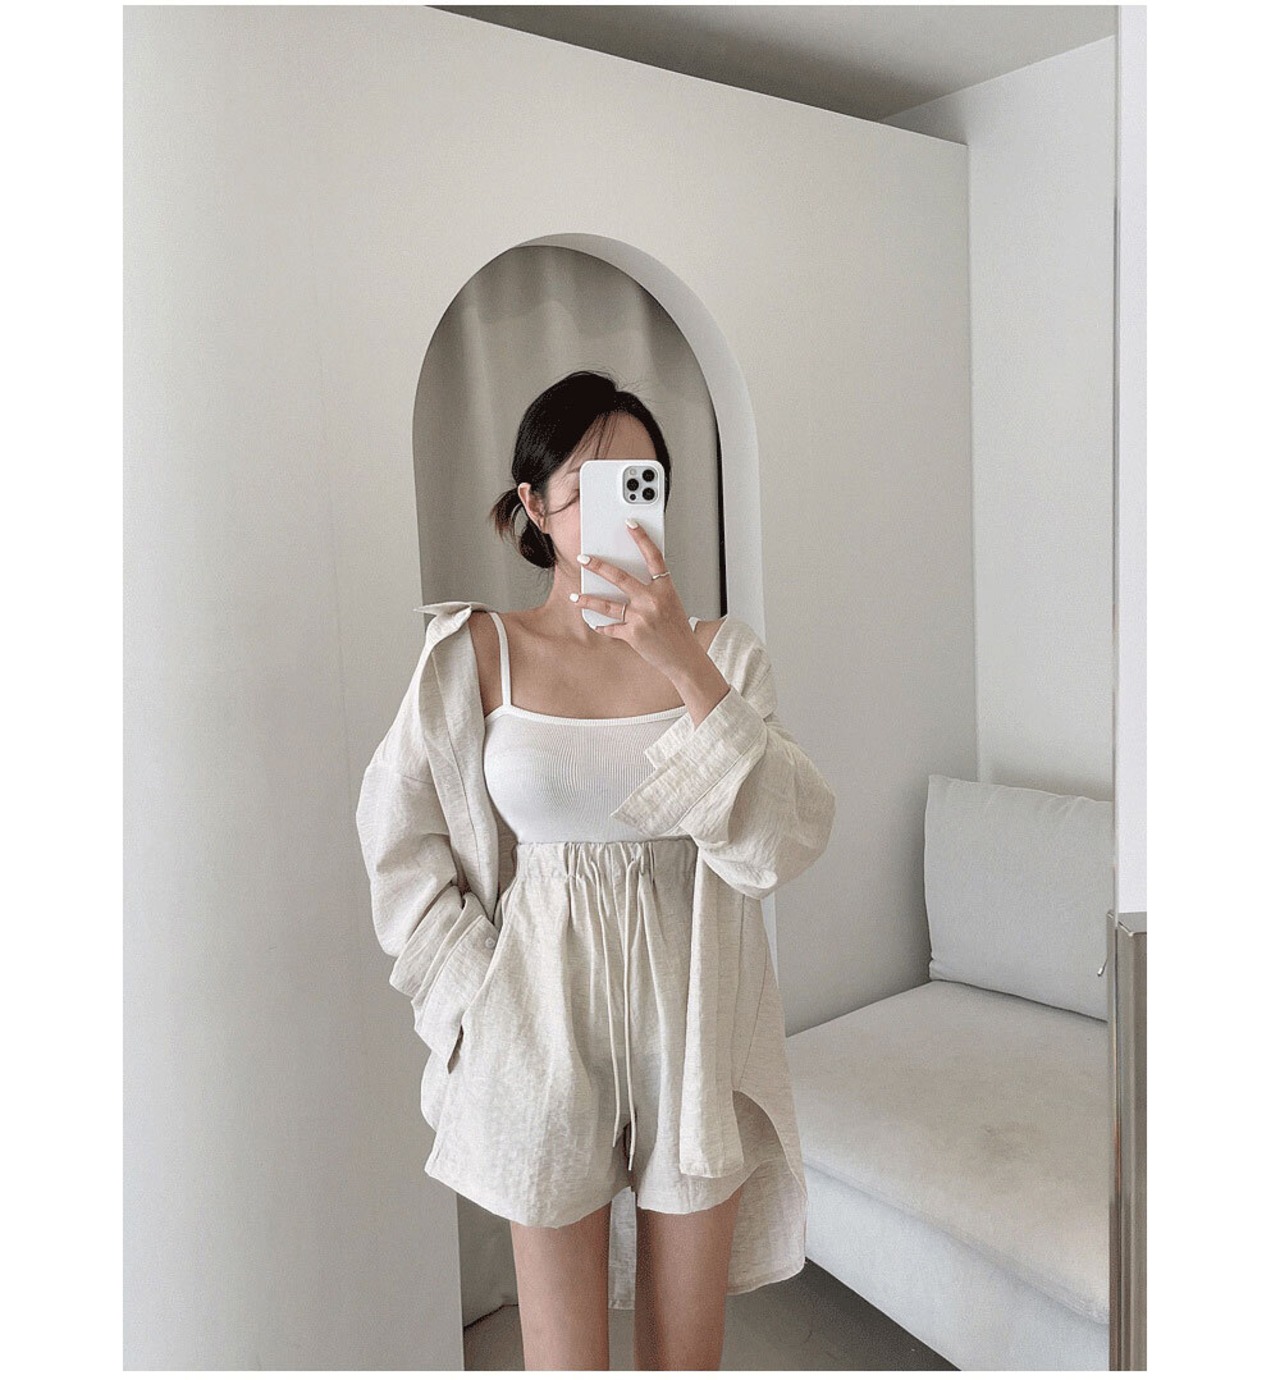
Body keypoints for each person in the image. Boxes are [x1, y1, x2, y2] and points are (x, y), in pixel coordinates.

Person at [356, 370, 836, 1369]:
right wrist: (475, 999)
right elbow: (397, 836)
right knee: (564, 1361)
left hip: (694, 1021)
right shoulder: (476, 651)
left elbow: (781, 843)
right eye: (590, 484)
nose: (621, 503)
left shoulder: (722, 654)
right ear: (534, 505)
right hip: (536, 1026)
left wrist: (681, 664)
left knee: (684, 1358)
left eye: (640, 482)